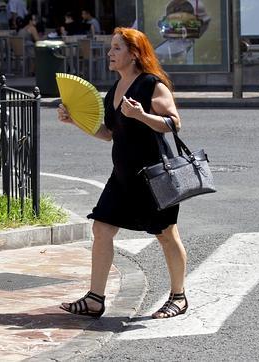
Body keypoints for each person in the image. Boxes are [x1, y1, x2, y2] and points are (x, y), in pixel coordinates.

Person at [57, 27, 188, 320]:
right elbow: (108, 134)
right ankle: (95, 299)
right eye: (111, 48)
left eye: (117, 48)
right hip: (123, 176)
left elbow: (174, 123)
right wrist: (75, 121)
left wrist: (142, 115)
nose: (110, 53)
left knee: (166, 234)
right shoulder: (114, 90)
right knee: (101, 228)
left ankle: (178, 297)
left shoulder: (151, 85)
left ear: (134, 53)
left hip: (154, 175)